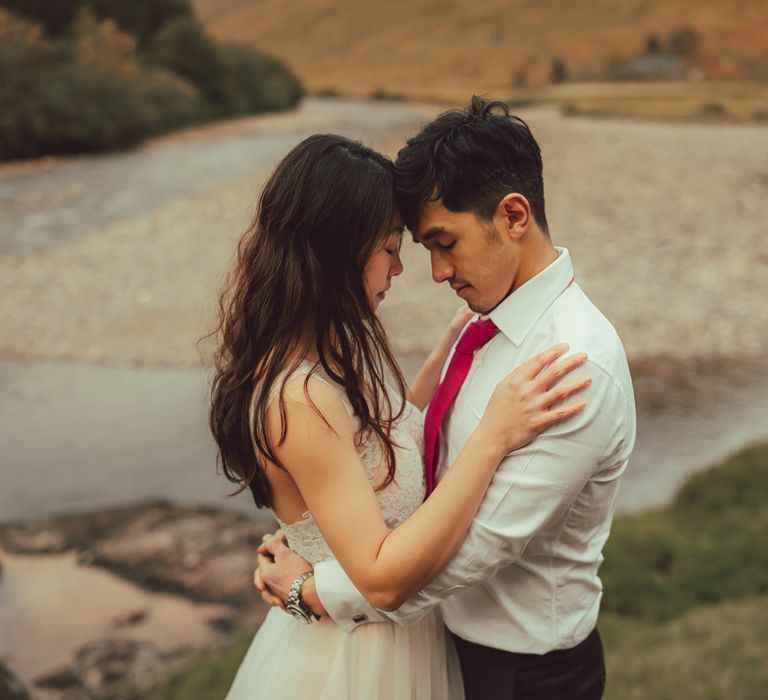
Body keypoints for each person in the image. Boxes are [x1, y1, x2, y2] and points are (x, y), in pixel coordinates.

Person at [256, 97, 637, 700]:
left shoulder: (571, 364)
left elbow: (475, 547)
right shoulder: (481, 324)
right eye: (415, 248)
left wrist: (313, 590)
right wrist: (315, 526)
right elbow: (412, 452)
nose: (435, 273)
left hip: (519, 673)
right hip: (442, 647)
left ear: (514, 215)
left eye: (444, 243)